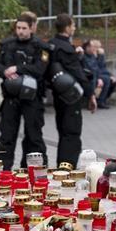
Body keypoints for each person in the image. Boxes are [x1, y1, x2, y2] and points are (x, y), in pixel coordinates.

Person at [0, 12, 51, 171]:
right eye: (18, 27)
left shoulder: (41, 47)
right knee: (7, 137)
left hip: (32, 99)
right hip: (11, 98)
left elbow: (40, 69)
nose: (20, 31)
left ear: (31, 28)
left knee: (33, 136)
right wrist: (4, 71)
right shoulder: (7, 45)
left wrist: (18, 68)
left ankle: (34, 171)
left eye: (24, 28)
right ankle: (3, 171)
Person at [49, 13, 96, 166]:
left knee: (63, 133)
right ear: (67, 27)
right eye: (73, 25)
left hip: (57, 96)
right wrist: (91, 94)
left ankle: (61, 167)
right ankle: (67, 169)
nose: (74, 28)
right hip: (70, 98)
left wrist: (78, 57)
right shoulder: (66, 48)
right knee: (71, 134)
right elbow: (79, 74)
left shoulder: (51, 45)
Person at [82, 39, 116, 109]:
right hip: (89, 77)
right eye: (94, 47)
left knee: (110, 80)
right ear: (88, 47)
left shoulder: (92, 56)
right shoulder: (84, 56)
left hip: (96, 75)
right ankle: (98, 101)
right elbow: (92, 70)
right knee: (106, 79)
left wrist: (110, 75)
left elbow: (101, 68)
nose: (98, 49)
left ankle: (101, 100)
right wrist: (99, 78)